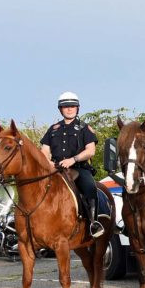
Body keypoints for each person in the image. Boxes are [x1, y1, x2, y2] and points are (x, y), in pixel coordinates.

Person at [39, 91, 103, 238]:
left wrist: (73, 159)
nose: (69, 109)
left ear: (77, 108)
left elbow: (90, 151)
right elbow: (44, 151)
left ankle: (94, 223)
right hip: (55, 169)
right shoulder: (53, 129)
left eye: (72, 106)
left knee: (90, 187)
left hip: (78, 168)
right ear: (60, 109)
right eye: (66, 106)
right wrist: (49, 163)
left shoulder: (84, 128)